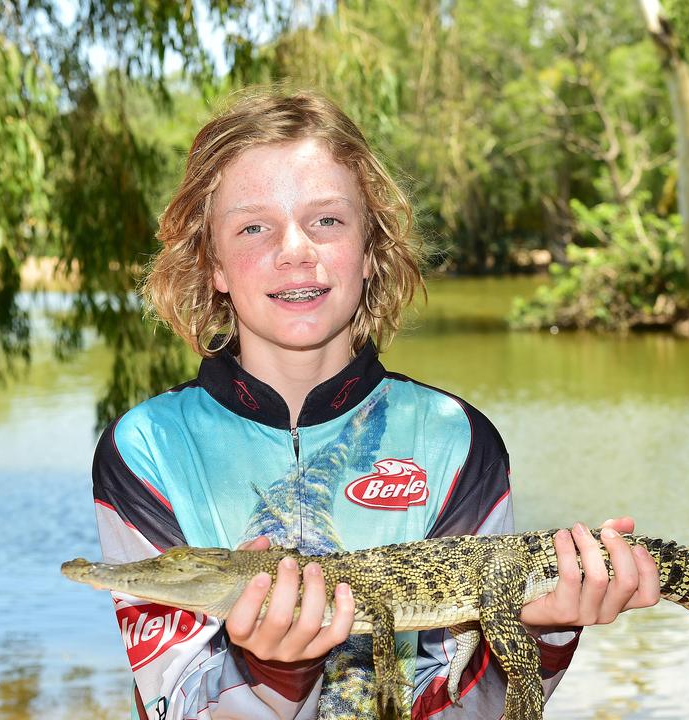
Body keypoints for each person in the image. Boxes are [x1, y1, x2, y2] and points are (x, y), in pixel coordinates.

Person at [89, 86, 660, 720]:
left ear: (370, 251)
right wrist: (275, 671)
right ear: (214, 263)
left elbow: (466, 708)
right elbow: (175, 701)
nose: (295, 249)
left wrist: (545, 634)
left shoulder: (456, 439)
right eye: (253, 226)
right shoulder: (145, 449)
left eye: (327, 220)